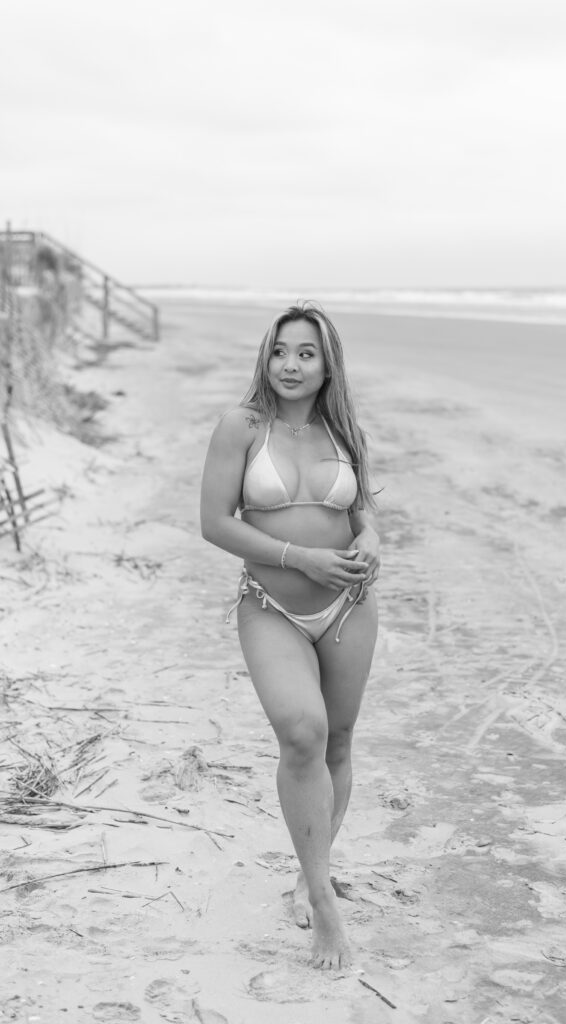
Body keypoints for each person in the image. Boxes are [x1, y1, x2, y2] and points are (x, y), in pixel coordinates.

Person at [200, 301, 380, 970]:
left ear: (327, 362)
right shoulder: (242, 426)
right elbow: (215, 523)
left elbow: (363, 511)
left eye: (306, 353)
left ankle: (312, 873)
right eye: (280, 351)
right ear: (265, 357)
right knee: (301, 731)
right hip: (270, 602)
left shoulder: (345, 429)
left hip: (349, 607)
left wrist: (373, 541)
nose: (290, 365)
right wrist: (299, 558)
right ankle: (326, 908)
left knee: (336, 738)